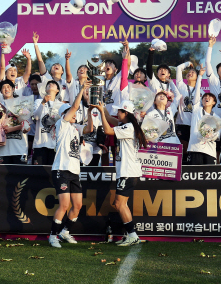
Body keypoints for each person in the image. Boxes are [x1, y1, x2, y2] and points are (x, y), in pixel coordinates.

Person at [92, 100, 148, 247]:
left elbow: (108, 130)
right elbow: (112, 120)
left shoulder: (129, 127)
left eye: (119, 111)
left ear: (126, 113)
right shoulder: (127, 125)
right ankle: (131, 235)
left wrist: (102, 115)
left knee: (119, 204)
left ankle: (132, 235)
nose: (117, 113)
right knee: (121, 204)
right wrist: (102, 108)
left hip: (128, 171)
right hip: (127, 171)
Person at [48, 83, 89, 248]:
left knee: (77, 205)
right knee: (64, 205)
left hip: (74, 171)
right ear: (64, 114)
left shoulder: (74, 128)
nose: (74, 114)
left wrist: (93, 111)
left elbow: (90, 128)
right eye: (70, 112)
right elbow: (74, 106)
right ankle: (52, 236)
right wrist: (81, 91)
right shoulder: (62, 125)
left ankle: (65, 231)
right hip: (61, 169)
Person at [186, 65, 220, 165]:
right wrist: (200, 76)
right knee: (195, 176)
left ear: (214, 102)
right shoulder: (197, 109)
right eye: (205, 96)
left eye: (209, 97)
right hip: (195, 148)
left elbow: (218, 135)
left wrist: (210, 135)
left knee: (209, 179)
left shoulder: (216, 117)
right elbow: (197, 92)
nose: (206, 98)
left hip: (210, 151)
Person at [0, 79, 29, 164]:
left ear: (13, 89)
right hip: (4, 149)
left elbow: (27, 124)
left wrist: (14, 128)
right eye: (3, 87)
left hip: (19, 149)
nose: (6, 89)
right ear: (0, 91)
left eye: (8, 87)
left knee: (20, 175)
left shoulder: (22, 104)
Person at [175, 60, 204, 153]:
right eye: (188, 72)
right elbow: (178, 68)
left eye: (193, 72)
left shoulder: (202, 92)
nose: (190, 73)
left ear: (197, 77)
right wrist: (188, 64)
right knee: (183, 150)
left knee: (192, 152)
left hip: (195, 125)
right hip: (182, 124)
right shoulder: (181, 86)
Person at [32, 80, 62, 165]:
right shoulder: (38, 101)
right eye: (48, 84)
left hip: (55, 145)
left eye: (54, 84)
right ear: (45, 90)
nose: (51, 84)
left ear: (57, 90)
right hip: (40, 144)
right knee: (38, 174)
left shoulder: (61, 105)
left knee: (52, 174)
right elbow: (36, 117)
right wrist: (43, 103)